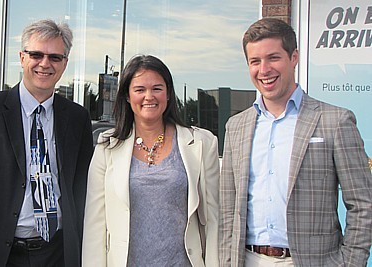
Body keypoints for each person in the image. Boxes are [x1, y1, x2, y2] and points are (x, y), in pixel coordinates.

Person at [219, 18, 372, 266]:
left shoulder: (335, 121)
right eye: (255, 61)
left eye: (273, 58)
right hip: (247, 259)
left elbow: (363, 205)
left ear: (294, 58)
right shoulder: (236, 126)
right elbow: (228, 208)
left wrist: (350, 262)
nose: (264, 69)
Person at [0, 19, 93, 267]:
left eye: (55, 57)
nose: (45, 64)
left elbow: (82, 191)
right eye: (36, 54)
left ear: (65, 64)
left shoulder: (77, 118)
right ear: (22, 57)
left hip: (57, 254)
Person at [82, 55, 220, 266]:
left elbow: (213, 220)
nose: (149, 96)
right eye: (139, 90)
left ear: (168, 94)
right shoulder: (107, 147)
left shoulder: (201, 143)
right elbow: (95, 225)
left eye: (157, 88)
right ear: (127, 96)